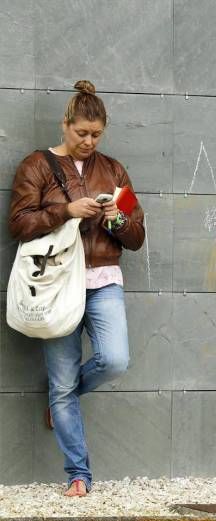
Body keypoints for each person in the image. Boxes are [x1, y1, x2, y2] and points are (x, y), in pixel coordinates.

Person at [8, 80, 145, 497]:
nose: (88, 141)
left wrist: (113, 218)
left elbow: (137, 235)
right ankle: (79, 475)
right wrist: (66, 210)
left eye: (96, 134)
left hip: (103, 280)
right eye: (81, 132)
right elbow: (18, 223)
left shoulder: (113, 170)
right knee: (62, 382)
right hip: (54, 285)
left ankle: (62, 398)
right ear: (65, 124)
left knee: (115, 360)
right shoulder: (36, 166)